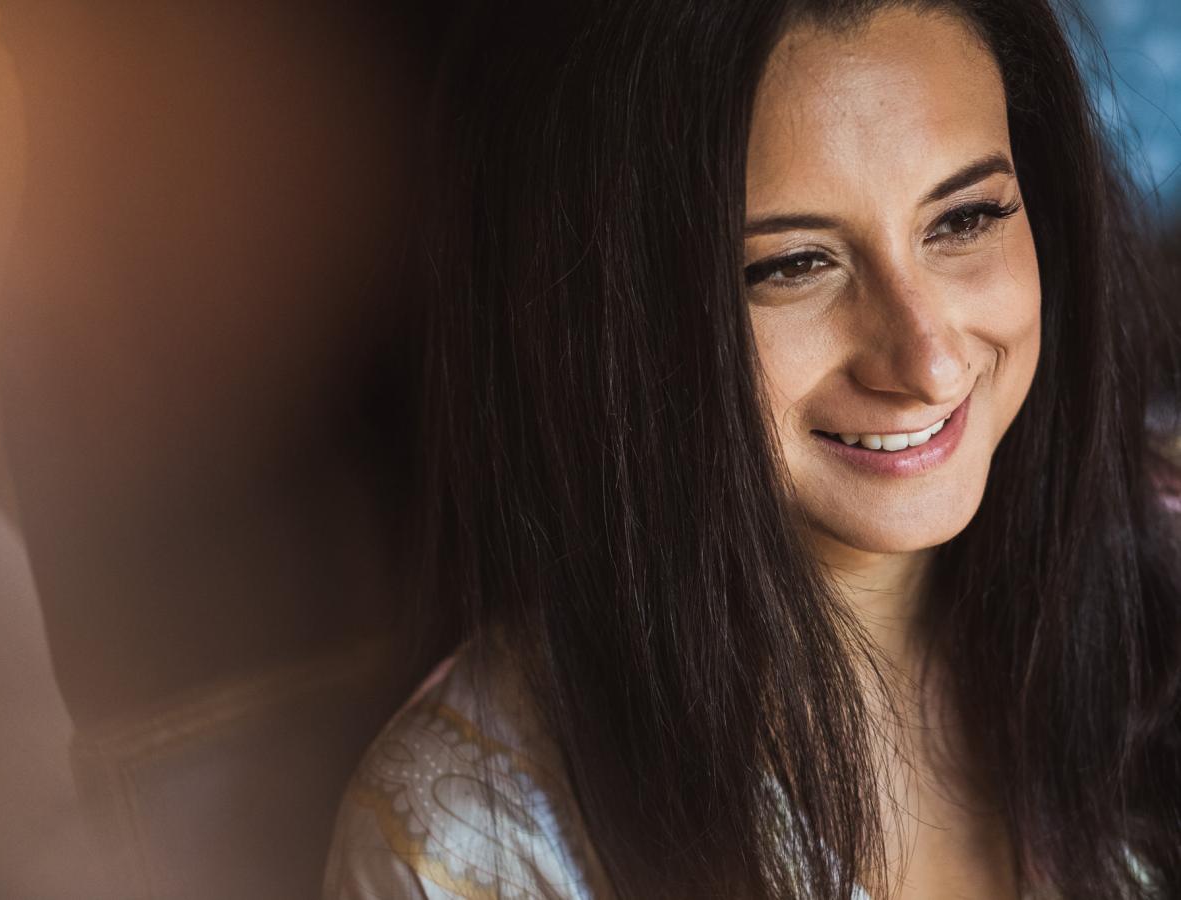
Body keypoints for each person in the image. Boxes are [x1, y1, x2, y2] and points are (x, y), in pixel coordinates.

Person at [324, 0, 1181, 898]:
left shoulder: (1155, 575)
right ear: (621, 320)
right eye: (793, 266)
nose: (928, 359)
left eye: (964, 218)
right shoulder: (472, 837)